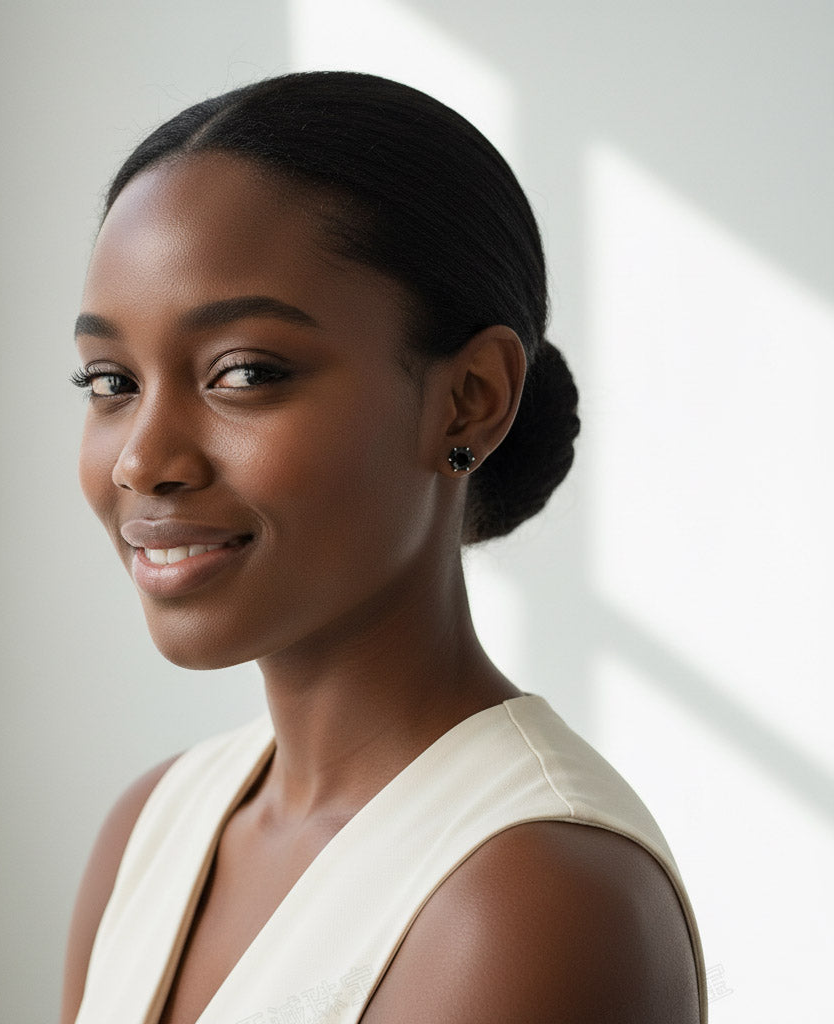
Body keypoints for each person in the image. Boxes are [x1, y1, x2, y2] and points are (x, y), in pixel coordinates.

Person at [60, 71, 706, 1024]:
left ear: (469, 399)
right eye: (110, 380)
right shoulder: (151, 826)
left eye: (243, 373)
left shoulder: (530, 900)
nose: (144, 459)